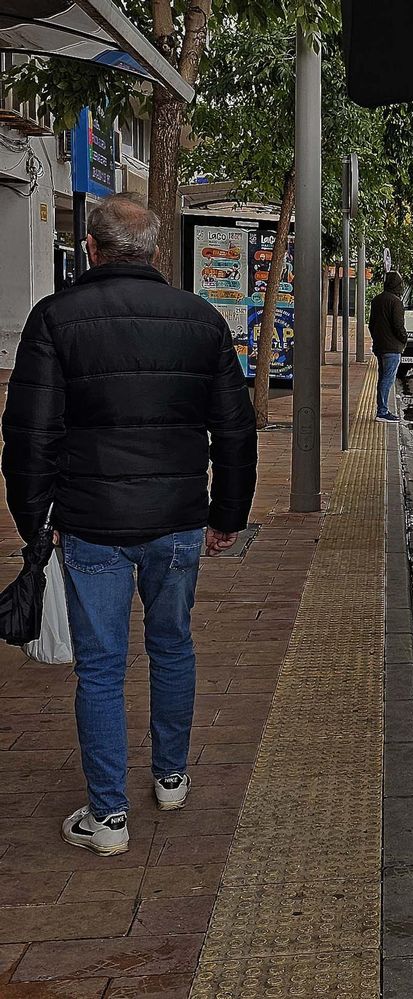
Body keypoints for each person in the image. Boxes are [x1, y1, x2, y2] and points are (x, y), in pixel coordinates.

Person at [1, 193, 258, 857]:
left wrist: (36, 523)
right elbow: (234, 429)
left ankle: (107, 816)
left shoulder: (55, 318)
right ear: (155, 251)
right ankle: (171, 778)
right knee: (172, 645)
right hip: (177, 522)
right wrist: (226, 513)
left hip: (91, 524)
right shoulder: (202, 321)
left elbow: (29, 434)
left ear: (92, 248)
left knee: (102, 666)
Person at [369, 271, 408, 422]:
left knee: (382, 378)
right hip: (392, 348)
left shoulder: (376, 300)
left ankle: (381, 408)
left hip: (380, 346)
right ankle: (382, 411)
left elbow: (372, 325)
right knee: (387, 379)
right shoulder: (396, 302)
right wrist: (404, 339)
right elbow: (399, 326)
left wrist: (377, 339)